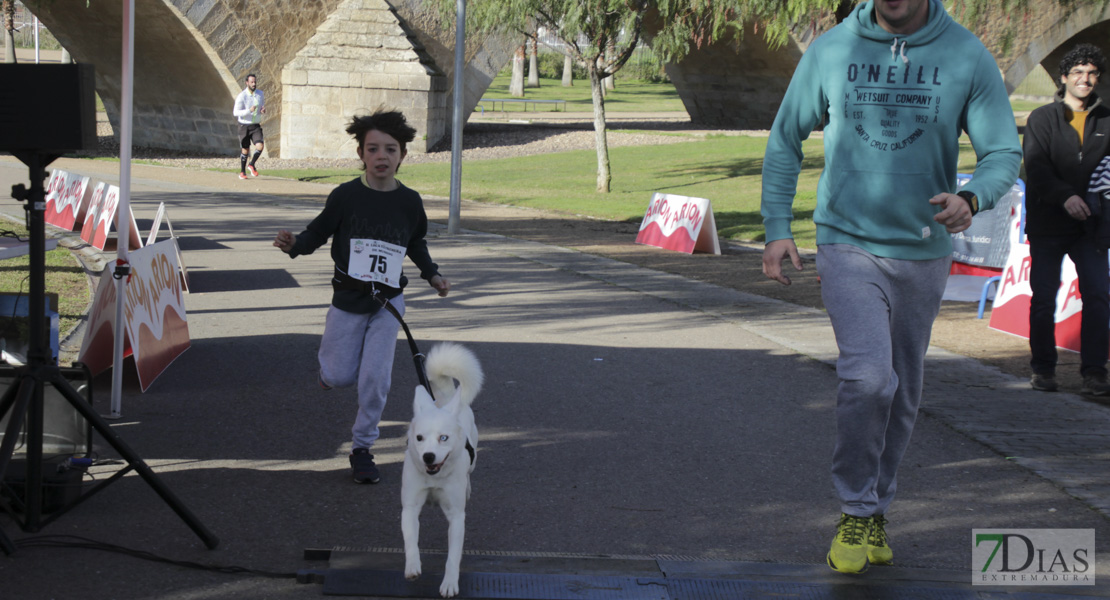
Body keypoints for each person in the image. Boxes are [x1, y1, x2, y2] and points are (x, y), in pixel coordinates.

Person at [760, 0, 1021, 575]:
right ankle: (855, 507)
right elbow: (785, 138)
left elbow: (1003, 150)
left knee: (903, 390)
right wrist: (778, 227)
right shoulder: (831, 50)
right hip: (846, 242)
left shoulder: (966, 54)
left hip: (924, 247)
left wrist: (973, 197)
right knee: (870, 377)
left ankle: (877, 507)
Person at [273, 110, 451, 484]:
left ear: (403, 155)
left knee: (375, 379)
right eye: (373, 149)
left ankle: (362, 448)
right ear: (361, 154)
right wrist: (294, 245)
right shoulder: (345, 196)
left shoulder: (410, 202)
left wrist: (432, 273)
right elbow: (317, 233)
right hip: (348, 302)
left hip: (388, 304)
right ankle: (328, 374)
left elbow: (414, 242)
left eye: (390, 149)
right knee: (339, 376)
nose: (381, 156)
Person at [1023, 43, 1110, 396]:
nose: (1084, 79)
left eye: (1091, 73)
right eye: (1077, 73)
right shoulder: (1042, 119)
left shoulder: (1107, 120)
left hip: (1090, 227)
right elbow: (1037, 168)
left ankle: (1094, 373)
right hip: (1048, 224)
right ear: (1064, 78)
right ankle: (1043, 369)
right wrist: (1066, 197)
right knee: (1044, 297)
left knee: (1099, 296)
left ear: (1097, 78)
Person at [234, 73, 266, 180]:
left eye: (255, 82)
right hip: (244, 125)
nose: (254, 84)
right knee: (245, 149)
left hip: (255, 125)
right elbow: (236, 112)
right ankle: (242, 172)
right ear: (246, 83)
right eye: (251, 82)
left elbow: (262, 106)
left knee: (260, 146)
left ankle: (251, 164)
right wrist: (249, 111)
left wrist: (262, 110)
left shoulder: (260, 94)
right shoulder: (242, 96)